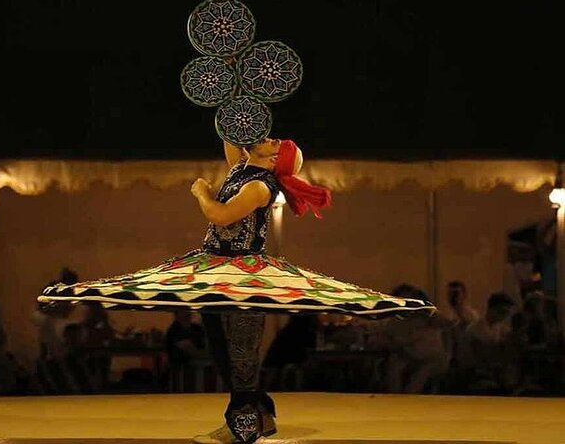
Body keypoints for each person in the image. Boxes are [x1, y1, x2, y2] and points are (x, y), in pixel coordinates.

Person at [39, 138, 436, 443]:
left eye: (274, 141)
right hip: (214, 268)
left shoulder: (261, 186)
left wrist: (200, 192)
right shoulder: (244, 170)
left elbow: (220, 214)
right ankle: (258, 411)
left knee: (240, 348)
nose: (268, 137)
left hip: (243, 274)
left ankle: (243, 417)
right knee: (219, 345)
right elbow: (230, 136)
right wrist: (234, 87)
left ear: (274, 158)